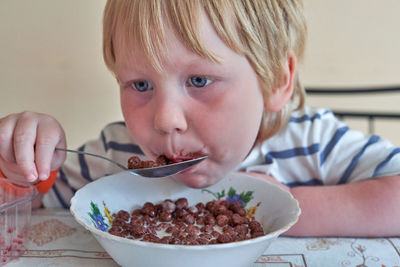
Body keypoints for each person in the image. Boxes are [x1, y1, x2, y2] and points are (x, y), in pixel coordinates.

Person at [0, 0, 399, 237]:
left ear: (277, 80)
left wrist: (284, 208)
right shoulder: (115, 155)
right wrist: (20, 164)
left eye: (199, 80)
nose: (166, 120)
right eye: (140, 85)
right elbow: (25, 201)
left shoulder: (314, 143)